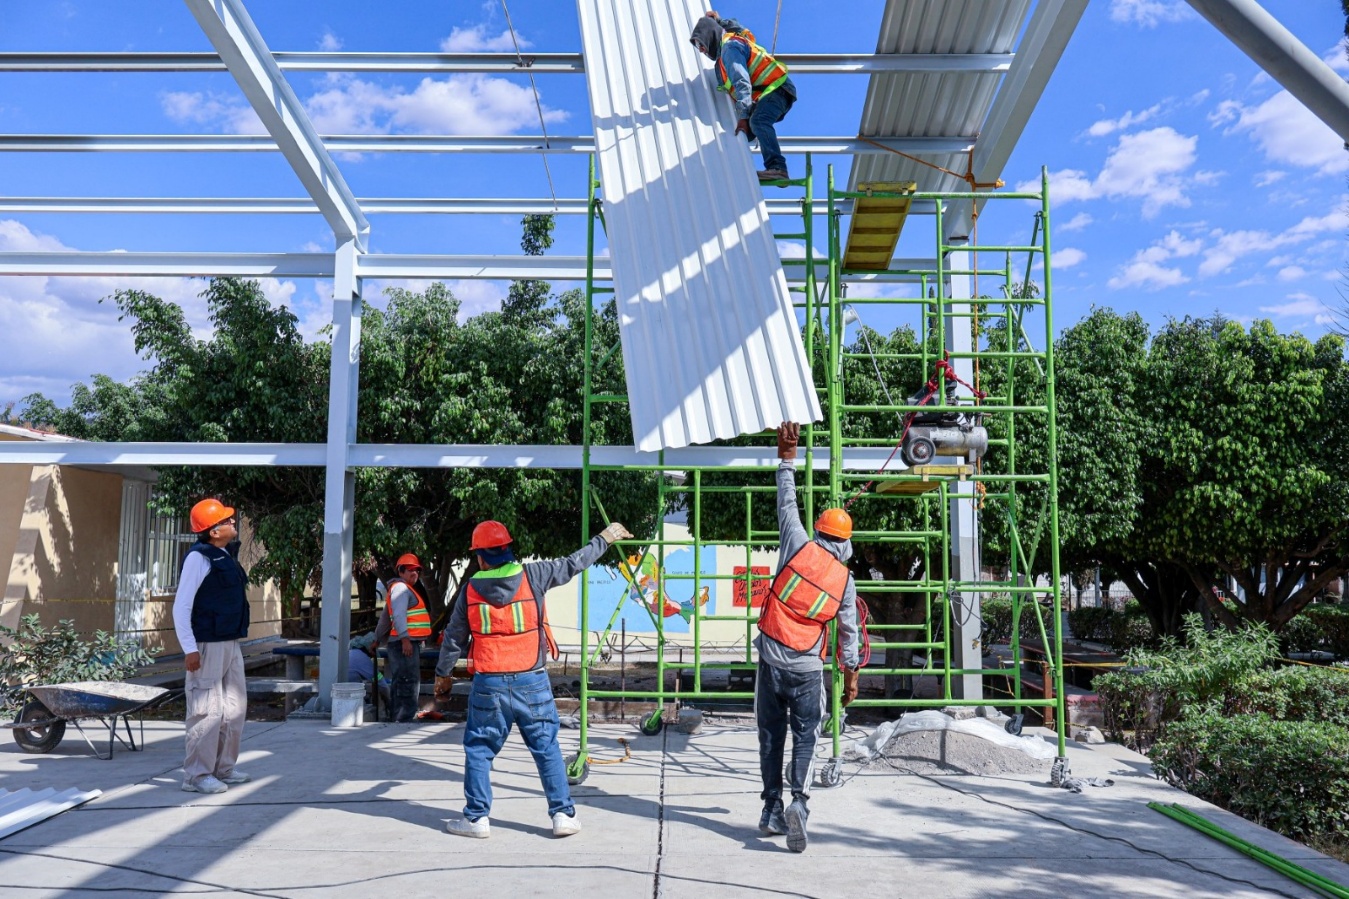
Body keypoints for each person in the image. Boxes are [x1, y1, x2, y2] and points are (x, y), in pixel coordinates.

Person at [438, 518, 633, 839]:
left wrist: (442, 675)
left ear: (480, 558)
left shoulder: (470, 590)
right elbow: (574, 564)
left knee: (479, 749)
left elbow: (453, 639)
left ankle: (476, 819)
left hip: (489, 684)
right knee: (546, 748)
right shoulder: (535, 575)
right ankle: (562, 815)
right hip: (532, 680)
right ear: (509, 550)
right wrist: (605, 538)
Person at [756, 422, 860, 852]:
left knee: (769, 736)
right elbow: (849, 634)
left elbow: (787, 501)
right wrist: (850, 675)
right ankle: (799, 802)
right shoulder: (845, 581)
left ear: (819, 531)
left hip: (770, 661)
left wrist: (787, 457)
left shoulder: (796, 543)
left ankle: (770, 809)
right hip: (807, 669)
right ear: (847, 544)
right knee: (806, 735)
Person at [172, 498, 251, 794]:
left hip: (229, 643)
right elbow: (181, 607)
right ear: (213, 531)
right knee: (206, 711)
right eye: (226, 521)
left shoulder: (223, 555)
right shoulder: (198, 558)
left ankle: (223, 768)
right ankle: (196, 775)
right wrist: (189, 649)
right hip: (206, 645)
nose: (232, 523)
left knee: (233, 710)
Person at [690, 10, 797, 182]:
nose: (701, 50)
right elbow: (738, 28)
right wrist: (719, 21)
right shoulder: (728, 45)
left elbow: (741, 82)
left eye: (701, 44)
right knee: (746, 134)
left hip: (777, 89)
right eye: (697, 47)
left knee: (757, 121)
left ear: (710, 36)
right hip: (770, 92)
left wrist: (743, 117)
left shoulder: (730, 48)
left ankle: (777, 168)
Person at [373, 553, 432, 723]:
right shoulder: (401, 589)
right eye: (411, 570)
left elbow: (385, 618)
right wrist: (405, 639)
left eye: (417, 571)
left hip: (403, 643)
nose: (415, 573)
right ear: (401, 571)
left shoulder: (400, 589)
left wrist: (377, 639)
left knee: (402, 679)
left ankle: (399, 716)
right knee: (408, 680)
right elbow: (397, 616)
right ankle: (404, 717)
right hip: (404, 644)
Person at [348, 632, 391, 708]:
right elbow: (380, 682)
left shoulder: (350, 653)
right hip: (350, 697)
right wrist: (389, 700)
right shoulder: (362, 659)